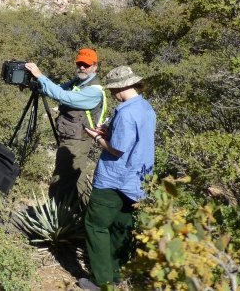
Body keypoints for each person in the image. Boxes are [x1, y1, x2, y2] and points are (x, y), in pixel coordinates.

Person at [78, 65, 156, 291]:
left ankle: (102, 282)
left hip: (114, 178)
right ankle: (117, 272)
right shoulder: (145, 107)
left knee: (95, 225)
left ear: (122, 87)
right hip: (137, 179)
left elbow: (117, 149)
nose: (112, 94)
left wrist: (97, 138)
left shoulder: (125, 112)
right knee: (122, 225)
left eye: (113, 90)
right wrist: (110, 132)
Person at [25, 48, 107, 204]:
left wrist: (40, 75)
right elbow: (58, 88)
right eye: (80, 64)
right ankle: (81, 211)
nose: (82, 67)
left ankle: (61, 211)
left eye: (87, 65)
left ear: (95, 67)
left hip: (78, 140)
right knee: (77, 176)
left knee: (63, 177)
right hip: (71, 137)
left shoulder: (93, 91)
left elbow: (63, 96)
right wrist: (36, 83)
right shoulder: (79, 82)